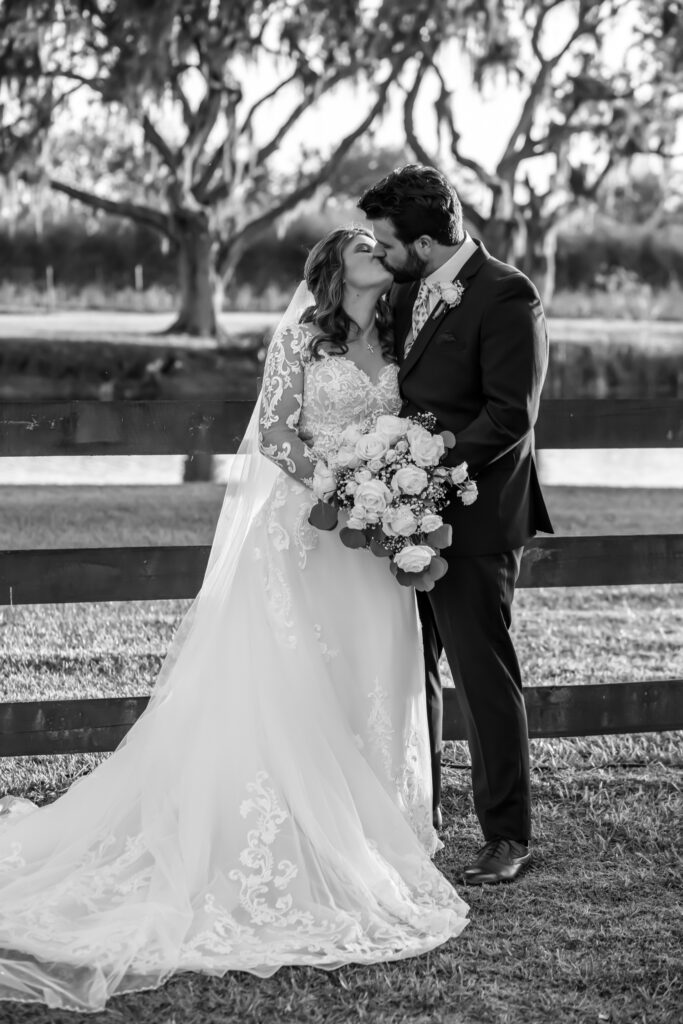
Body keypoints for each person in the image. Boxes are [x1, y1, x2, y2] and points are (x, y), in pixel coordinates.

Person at [0, 226, 468, 1013]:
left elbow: (413, 426)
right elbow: (276, 433)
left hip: (373, 539)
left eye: (376, 241)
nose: (372, 248)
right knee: (290, 682)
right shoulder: (299, 339)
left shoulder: (401, 335)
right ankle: (288, 833)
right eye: (357, 242)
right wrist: (341, 482)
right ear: (331, 266)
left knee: (369, 672)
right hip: (306, 528)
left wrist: (391, 487)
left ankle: (369, 832)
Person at [358, 165, 554, 886]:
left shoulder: (508, 294)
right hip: (401, 517)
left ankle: (507, 837)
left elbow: (510, 414)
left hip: (473, 521)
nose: (380, 253)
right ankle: (423, 821)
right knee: (413, 674)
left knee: (482, 678)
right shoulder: (407, 288)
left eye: (388, 241)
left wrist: (426, 469)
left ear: (427, 238)